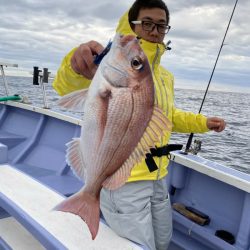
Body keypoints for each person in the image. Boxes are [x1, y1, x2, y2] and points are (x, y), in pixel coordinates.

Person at [53, 0, 226, 249]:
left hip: (158, 175)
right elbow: (65, 87)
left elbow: (167, 116)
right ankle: (90, 196)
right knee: (139, 245)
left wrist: (203, 122)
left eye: (161, 25)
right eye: (146, 24)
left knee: (162, 239)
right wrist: (75, 67)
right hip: (124, 179)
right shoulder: (110, 62)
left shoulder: (164, 76)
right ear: (132, 25)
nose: (154, 31)